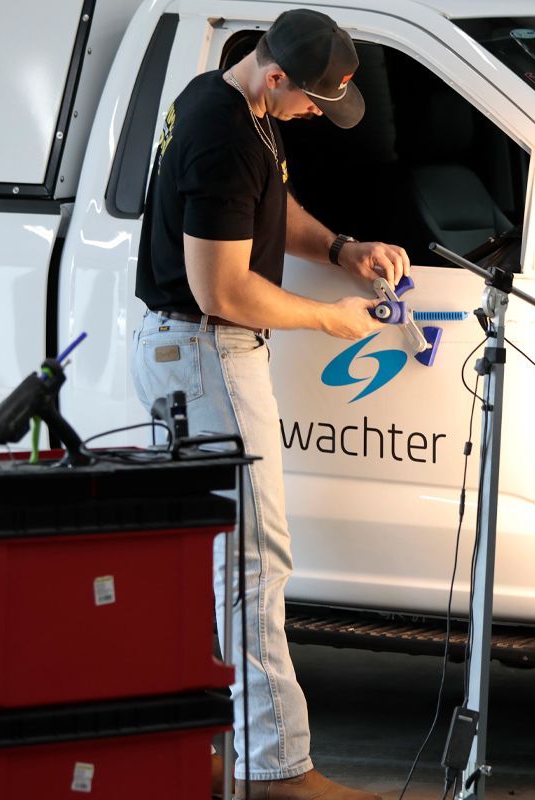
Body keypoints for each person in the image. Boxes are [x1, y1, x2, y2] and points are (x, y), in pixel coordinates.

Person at [131, 9, 407, 799]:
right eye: (315, 101)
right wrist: (330, 317)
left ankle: (214, 752)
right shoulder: (223, 133)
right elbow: (220, 288)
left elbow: (269, 210)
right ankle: (277, 769)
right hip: (208, 351)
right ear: (276, 73)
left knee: (220, 561)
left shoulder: (238, 106)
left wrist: (342, 250)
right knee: (255, 562)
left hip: (198, 349)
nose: (319, 113)